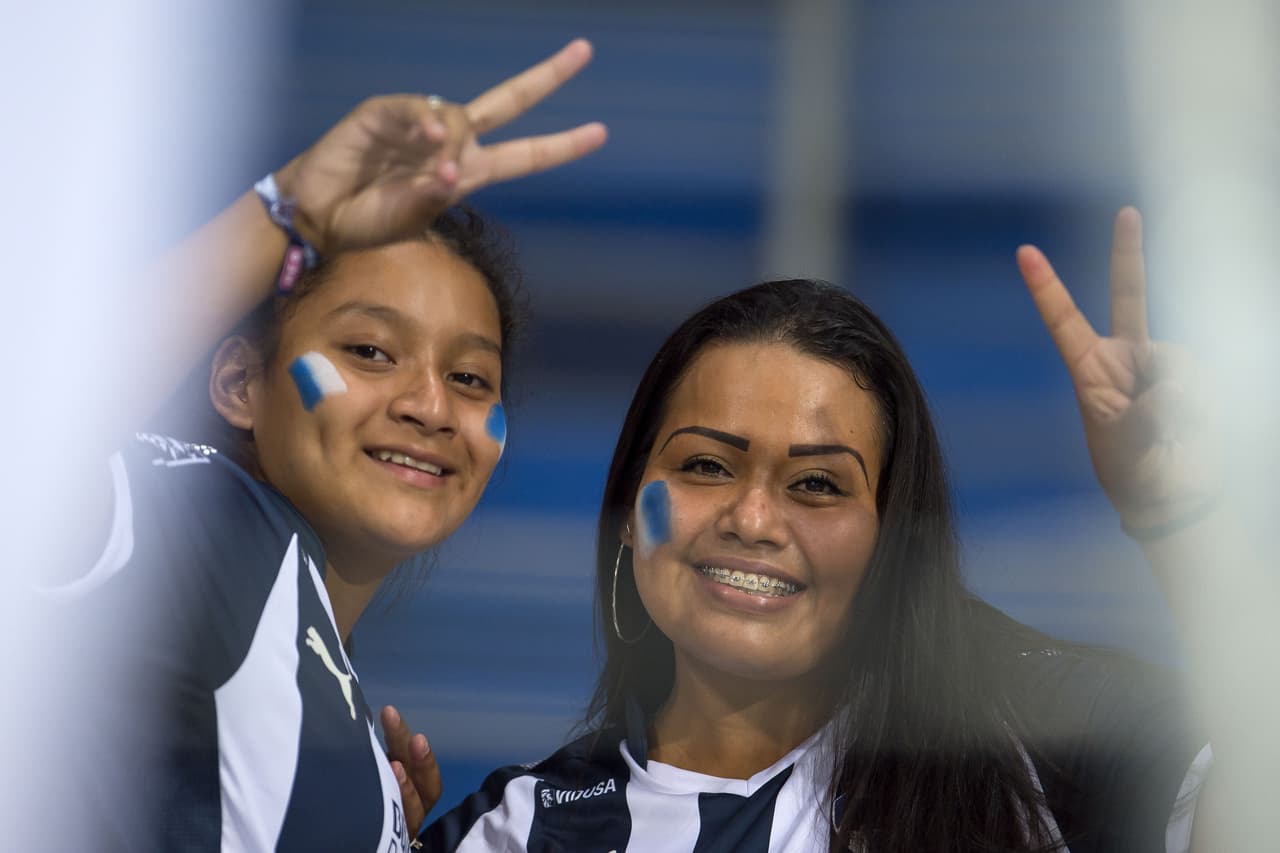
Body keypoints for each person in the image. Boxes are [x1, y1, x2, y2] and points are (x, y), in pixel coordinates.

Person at [415, 210, 1235, 852]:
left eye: (817, 483)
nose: (754, 518)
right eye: (706, 465)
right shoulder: (520, 831)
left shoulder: (1043, 744)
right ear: (629, 512)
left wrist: (1186, 522)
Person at [47, 40, 606, 851]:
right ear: (242, 385)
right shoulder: (211, 529)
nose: (431, 405)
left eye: (472, 378)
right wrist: (288, 211)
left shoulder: (343, 720)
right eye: (371, 352)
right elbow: (32, 430)